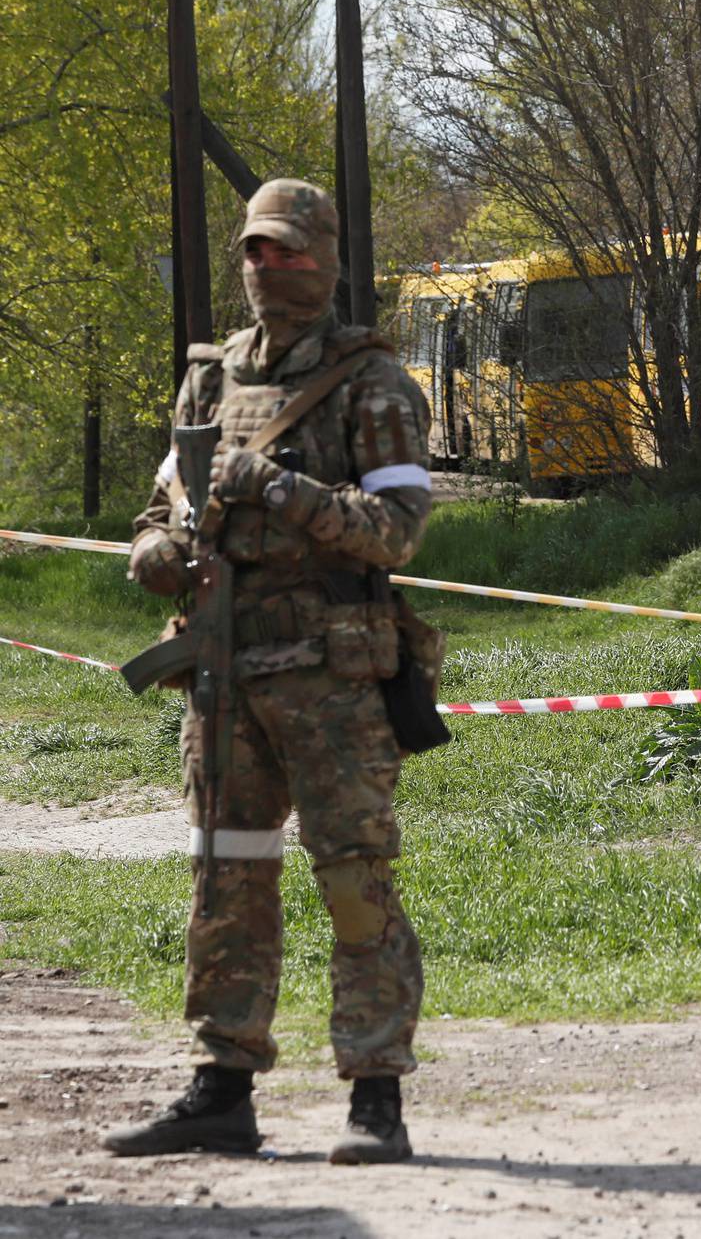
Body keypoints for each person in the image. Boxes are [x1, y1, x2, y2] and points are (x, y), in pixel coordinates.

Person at [105, 179, 433, 1165]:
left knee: (353, 879)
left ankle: (376, 1096)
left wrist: (279, 489)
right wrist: (157, 548)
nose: (268, 271)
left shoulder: (374, 385)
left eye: (288, 253)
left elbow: (397, 531)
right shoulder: (207, 382)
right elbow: (158, 508)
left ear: (325, 259)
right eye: (256, 252)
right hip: (222, 671)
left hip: (332, 679)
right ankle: (222, 1085)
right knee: (227, 881)